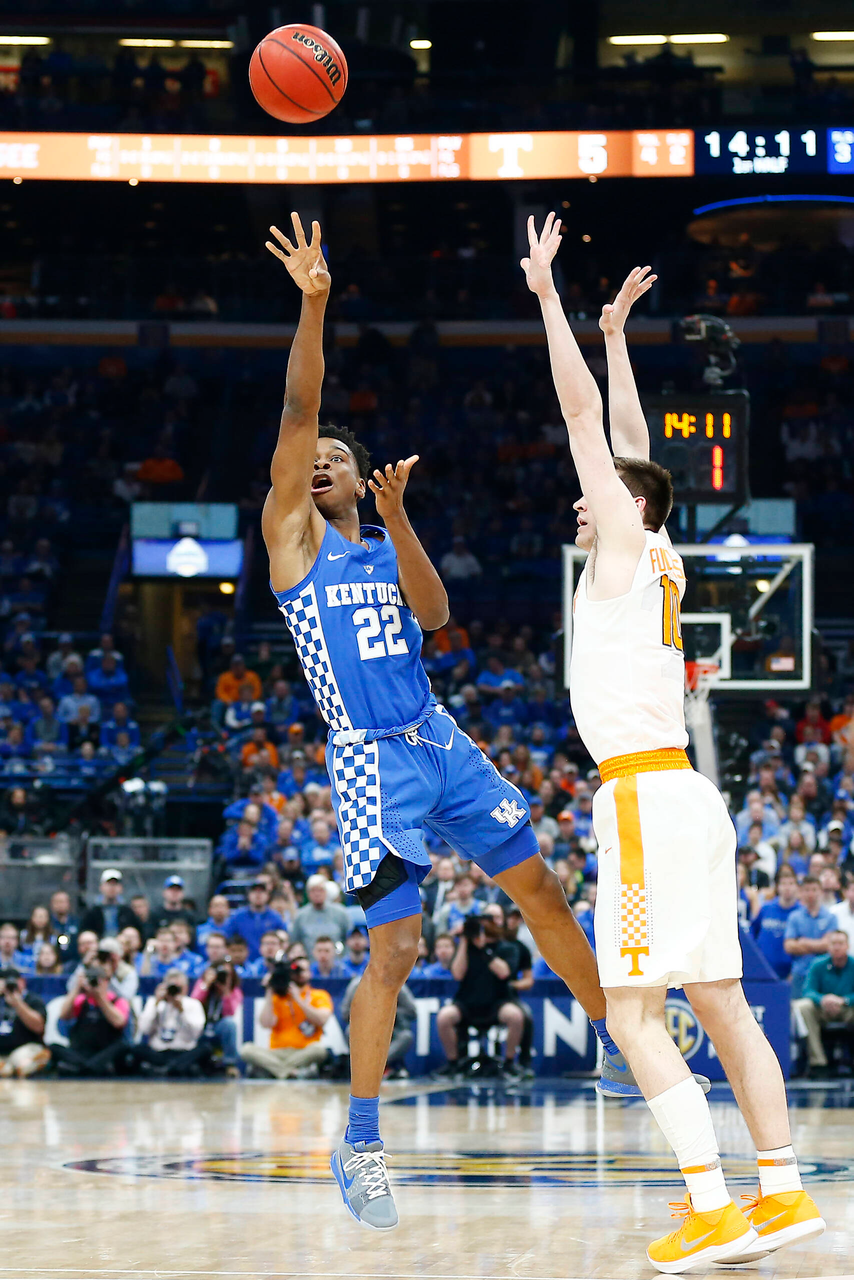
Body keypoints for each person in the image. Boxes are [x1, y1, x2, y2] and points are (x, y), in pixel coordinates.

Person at [261, 211, 656, 1231]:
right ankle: (359, 1141)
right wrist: (314, 302)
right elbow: (300, 405)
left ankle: (625, 1044)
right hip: (366, 762)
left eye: (337, 462)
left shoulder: (382, 538)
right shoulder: (292, 542)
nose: (319, 465)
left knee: (542, 893)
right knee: (393, 949)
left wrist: (397, 519)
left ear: (359, 479)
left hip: (438, 736)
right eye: (313, 460)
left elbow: (435, 616)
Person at [522, 219, 823, 1269]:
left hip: (645, 798)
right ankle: (779, 1190)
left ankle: (710, 1204)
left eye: (597, 492)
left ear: (619, 506)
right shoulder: (658, 554)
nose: (581, 496)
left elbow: (584, 427)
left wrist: (550, 298)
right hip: (686, 797)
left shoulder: (615, 545)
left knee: (634, 1015)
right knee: (723, 1000)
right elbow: (633, 446)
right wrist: (614, 335)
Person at [435, 914, 525, 1077]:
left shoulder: (507, 948)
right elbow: (457, 974)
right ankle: (453, 1063)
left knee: (516, 1016)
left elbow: (504, 973)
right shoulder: (465, 948)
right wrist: (464, 940)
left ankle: (510, 1062)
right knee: (444, 1017)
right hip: (467, 1001)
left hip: (497, 1001)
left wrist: (483, 949)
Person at [238, 952, 332, 1079]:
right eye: (295, 971)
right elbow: (266, 1023)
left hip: (304, 1052)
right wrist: (270, 990)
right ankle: (289, 1072)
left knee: (320, 1050)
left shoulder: (319, 995)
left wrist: (297, 998)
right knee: (246, 1049)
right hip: (276, 1052)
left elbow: (321, 1020)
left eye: (302, 970)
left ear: (310, 973)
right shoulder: (278, 997)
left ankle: (276, 1071)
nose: (298, 974)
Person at [52, 949, 131, 1074]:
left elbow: (119, 1022)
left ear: (106, 981)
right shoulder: (81, 1000)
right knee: (53, 1047)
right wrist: (77, 988)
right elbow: (63, 1015)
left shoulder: (118, 1000)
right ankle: (88, 1067)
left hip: (104, 1052)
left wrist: (100, 998)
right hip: (82, 1052)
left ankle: (81, 1068)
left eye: (98, 980)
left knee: (123, 1047)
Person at [793, 930, 854, 1077]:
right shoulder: (818, 964)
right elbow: (807, 990)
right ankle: (818, 1063)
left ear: (848, 946)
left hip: (848, 1010)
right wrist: (823, 999)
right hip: (823, 1009)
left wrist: (844, 1000)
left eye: (841, 943)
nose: (837, 947)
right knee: (803, 1006)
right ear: (828, 947)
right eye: (833, 943)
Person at [131, 971, 208, 1076]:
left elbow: (196, 1034)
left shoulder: (193, 1004)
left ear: (185, 988)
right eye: (171, 987)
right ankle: (172, 1068)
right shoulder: (154, 1002)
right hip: (159, 1051)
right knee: (135, 1049)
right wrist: (156, 1004)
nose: (174, 991)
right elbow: (144, 1029)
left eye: (178, 988)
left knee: (205, 1049)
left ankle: (167, 1069)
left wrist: (182, 1010)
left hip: (183, 1051)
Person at [340, 973, 416, 1079]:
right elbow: (344, 1013)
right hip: (365, 1030)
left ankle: (376, 1066)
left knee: (406, 1036)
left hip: (391, 1030)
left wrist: (390, 1010)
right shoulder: (356, 985)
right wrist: (365, 1011)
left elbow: (412, 1012)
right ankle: (371, 1068)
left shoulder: (398, 984)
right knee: (350, 1031)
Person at [783, 876, 837, 996]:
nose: (810, 893)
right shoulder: (795, 917)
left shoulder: (830, 917)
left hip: (824, 974)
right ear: (801, 892)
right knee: (796, 1010)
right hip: (799, 973)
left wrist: (803, 942)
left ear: (821, 892)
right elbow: (789, 946)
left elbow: (828, 945)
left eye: (814, 889)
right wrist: (818, 945)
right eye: (807, 890)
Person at [191, 958, 243, 1077]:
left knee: (230, 1023)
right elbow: (193, 1005)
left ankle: (230, 1064)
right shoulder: (203, 984)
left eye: (226, 974)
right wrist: (207, 984)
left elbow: (230, 1013)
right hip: (202, 1025)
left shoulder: (234, 991)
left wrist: (225, 992)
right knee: (190, 1022)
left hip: (219, 1026)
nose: (222, 976)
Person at [751, 867, 801, 979]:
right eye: (783, 884)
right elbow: (753, 932)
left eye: (791, 884)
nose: (787, 888)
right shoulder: (766, 908)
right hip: (762, 970)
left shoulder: (801, 913)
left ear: (797, 887)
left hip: (789, 973)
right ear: (777, 887)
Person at [0, 967, 50, 1078]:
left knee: (22, 1065)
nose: (9, 986)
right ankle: (7, 1069)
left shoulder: (33, 999)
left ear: (22, 982)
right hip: (2, 1051)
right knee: (5, 1069)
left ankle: (30, 1061)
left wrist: (18, 1004)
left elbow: (38, 1027)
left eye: (12, 982)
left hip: (25, 1046)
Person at [227, 880, 287, 961]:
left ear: (268, 896)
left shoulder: (275, 917)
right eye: (254, 892)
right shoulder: (237, 917)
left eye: (262, 892)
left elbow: (285, 940)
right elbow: (228, 939)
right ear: (248, 895)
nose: (258, 895)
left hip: (270, 962)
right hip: (243, 963)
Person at [290, 875, 351, 954]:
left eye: (320, 890)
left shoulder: (341, 913)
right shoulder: (300, 916)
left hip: (337, 962)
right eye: (313, 891)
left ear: (326, 892)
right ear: (308, 893)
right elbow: (294, 943)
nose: (317, 894)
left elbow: (349, 939)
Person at [79, 869, 141, 939]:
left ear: (121, 888)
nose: (112, 888)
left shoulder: (128, 912)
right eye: (109, 884)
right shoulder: (92, 912)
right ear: (101, 887)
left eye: (115, 884)